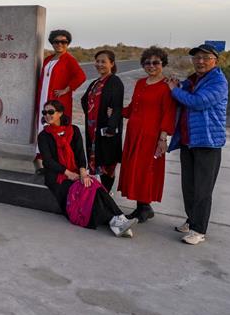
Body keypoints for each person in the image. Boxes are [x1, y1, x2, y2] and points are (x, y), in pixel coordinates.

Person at [37, 100, 136, 237]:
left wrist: (83, 171)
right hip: (57, 176)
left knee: (93, 184)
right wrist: (68, 173)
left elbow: (79, 153)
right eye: (45, 112)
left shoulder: (74, 130)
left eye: (51, 112)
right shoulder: (44, 136)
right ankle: (115, 220)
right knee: (83, 190)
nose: (47, 115)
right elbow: (48, 161)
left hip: (76, 171)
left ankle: (119, 219)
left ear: (60, 113)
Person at [167, 43, 229, 245]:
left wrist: (174, 90)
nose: (200, 61)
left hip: (208, 142)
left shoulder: (218, 81)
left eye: (205, 58)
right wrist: (178, 86)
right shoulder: (193, 79)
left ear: (215, 61)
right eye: (197, 58)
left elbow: (198, 102)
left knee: (203, 189)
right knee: (189, 186)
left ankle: (199, 230)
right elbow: (183, 93)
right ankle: (191, 220)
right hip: (189, 141)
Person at [118, 47, 176, 224]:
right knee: (135, 169)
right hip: (134, 133)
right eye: (147, 63)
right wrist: (115, 111)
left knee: (146, 170)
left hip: (151, 136)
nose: (151, 66)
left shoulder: (167, 86)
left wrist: (162, 138)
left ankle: (144, 207)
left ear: (163, 63)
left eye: (156, 62)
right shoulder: (140, 83)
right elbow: (132, 108)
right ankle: (142, 206)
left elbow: (169, 113)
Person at [79, 49, 124, 194]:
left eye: (103, 61)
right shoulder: (95, 82)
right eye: (97, 61)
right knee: (94, 161)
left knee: (107, 163)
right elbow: (84, 100)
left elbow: (117, 106)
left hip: (107, 131)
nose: (99, 64)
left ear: (112, 63)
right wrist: (92, 114)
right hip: (93, 129)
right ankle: (96, 194)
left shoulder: (114, 82)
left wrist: (111, 126)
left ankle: (105, 194)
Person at [36, 29, 87, 130]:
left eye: (63, 42)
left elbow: (81, 76)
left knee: (58, 127)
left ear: (67, 44)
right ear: (52, 43)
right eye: (56, 41)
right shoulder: (48, 59)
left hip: (57, 100)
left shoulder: (69, 60)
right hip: (43, 98)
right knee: (43, 125)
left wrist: (66, 90)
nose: (60, 44)